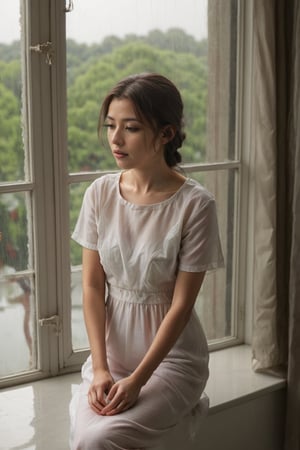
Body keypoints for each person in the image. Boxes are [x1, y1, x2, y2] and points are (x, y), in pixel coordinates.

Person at [70, 72, 224, 450]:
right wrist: (101, 369)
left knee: (98, 440)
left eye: (131, 128)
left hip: (171, 361)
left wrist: (139, 379)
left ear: (166, 134)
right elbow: (91, 286)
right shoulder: (100, 194)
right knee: (88, 437)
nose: (115, 139)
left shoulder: (196, 205)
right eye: (110, 126)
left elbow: (182, 305)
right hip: (111, 357)